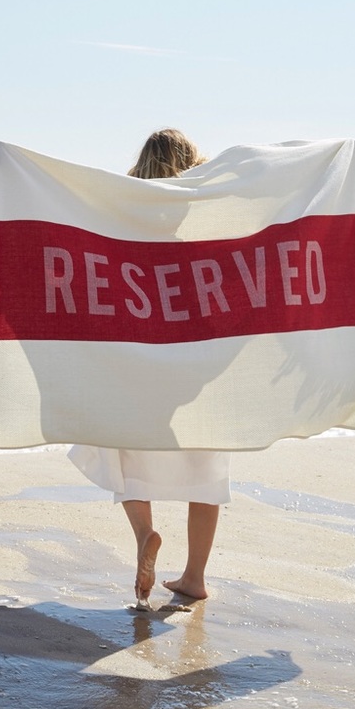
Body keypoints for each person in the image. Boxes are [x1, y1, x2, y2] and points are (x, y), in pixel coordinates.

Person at [68, 128, 231, 608]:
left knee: (121, 451)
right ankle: (195, 577)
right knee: (205, 466)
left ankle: (144, 534)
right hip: (197, 361)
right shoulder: (208, 218)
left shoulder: (124, 220)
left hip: (138, 360)